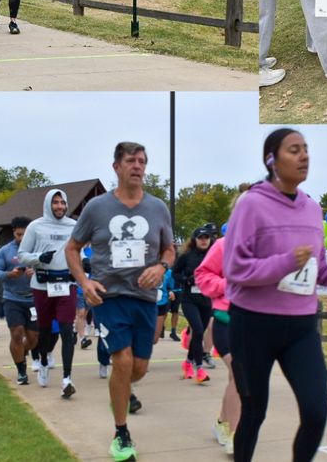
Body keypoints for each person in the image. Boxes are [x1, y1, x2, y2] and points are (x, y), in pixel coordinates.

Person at [223, 128, 327, 462]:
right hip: (253, 324)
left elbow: (318, 264)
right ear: (272, 160)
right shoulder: (251, 204)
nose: (304, 156)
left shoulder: (312, 208)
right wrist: (283, 263)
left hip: (301, 327)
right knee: (253, 412)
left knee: (316, 410)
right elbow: (235, 269)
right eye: (294, 150)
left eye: (306, 149)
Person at [65, 142, 176, 462]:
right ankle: (121, 431)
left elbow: (169, 249)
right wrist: (84, 282)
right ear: (117, 167)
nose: (138, 166)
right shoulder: (97, 208)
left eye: (142, 161)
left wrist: (162, 266)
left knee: (137, 369)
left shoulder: (157, 208)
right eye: (131, 161)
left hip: (144, 297)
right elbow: (72, 248)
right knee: (123, 361)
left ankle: (121, 392)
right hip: (109, 297)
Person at [19, 189, 80, 398]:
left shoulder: (74, 226)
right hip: (42, 284)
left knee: (66, 330)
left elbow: (78, 251)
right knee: (44, 330)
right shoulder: (36, 227)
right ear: (48, 204)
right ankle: (43, 361)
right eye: (55, 203)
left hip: (66, 284)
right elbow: (22, 256)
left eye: (63, 202)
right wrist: (38, 257)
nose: (60, 207)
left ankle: (67, 378)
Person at [195, 219, 242, 457]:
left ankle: (222, 423)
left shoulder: (267, 247)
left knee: (236, 376)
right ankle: (236, 433)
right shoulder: (223, 245)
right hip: (226, 319)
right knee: (240, 374)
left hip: (254, 323)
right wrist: (228, 285)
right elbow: (202, 275)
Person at [0, 216, 40, 385]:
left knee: (33, 338)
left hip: (34, 299)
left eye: (25, 235)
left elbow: (48, 269)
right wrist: (9, 274)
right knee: (17, 333)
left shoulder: (36, 249)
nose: (21, 238)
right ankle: (21, 371)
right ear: (14, 233)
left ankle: (22, 352)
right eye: (19, 235)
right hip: (12, 298)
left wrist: (36, 273)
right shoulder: (5, 251)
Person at [174, 223, 216, 382]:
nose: (204, 241)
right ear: (195, 240)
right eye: (201, 238)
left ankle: (188, 362)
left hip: (206, 300)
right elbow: (175, 273)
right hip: (189, 299)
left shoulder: (214, 255)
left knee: (200, 333)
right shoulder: (187, 255)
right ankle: (199, 369)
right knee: (198, 331)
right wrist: (186, 280)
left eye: (207, 238)